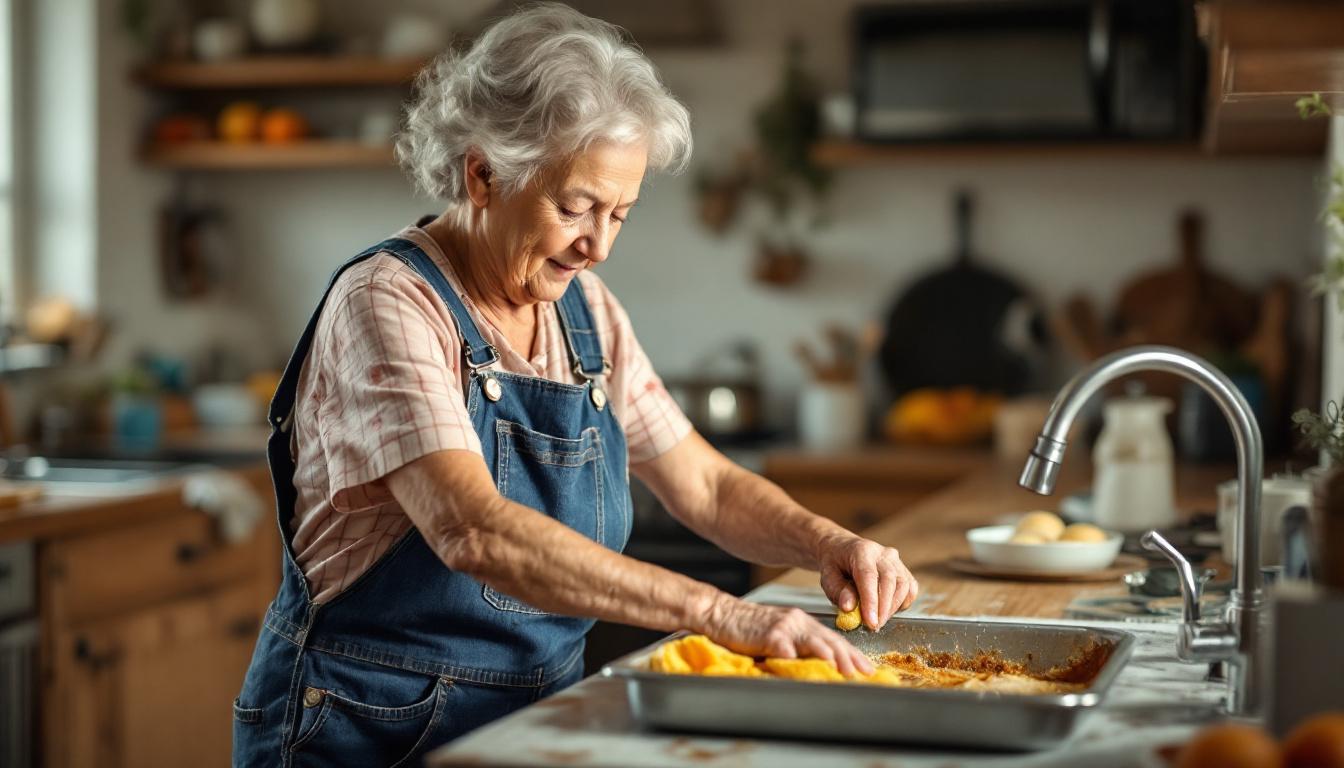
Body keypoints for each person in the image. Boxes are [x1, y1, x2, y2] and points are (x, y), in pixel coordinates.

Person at [232, 4, 917, 765]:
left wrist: (825, 541)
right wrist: (722, 615)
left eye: (620, 213)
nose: (598, 245)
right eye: (576, 207)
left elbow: (707, 488)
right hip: (365, 724)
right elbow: (474, 530)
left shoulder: (583, 311)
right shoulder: (388, 301)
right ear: (484, 174)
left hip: (534, 716)